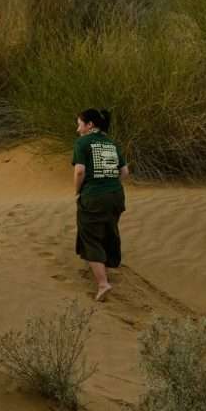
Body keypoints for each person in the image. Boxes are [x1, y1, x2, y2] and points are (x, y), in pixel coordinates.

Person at [73, 108, 129, 302]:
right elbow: (124, 171)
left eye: (79, 124)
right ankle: (106, 268)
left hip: (94, 196)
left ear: (90, 125)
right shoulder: (111, 143)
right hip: (116, 195)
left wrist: (78, 191)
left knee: (90, 236)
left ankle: (103, 283)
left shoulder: (83, 142)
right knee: (108, 229)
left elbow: (80, 171)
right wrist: (111, 185)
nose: (77, 128)